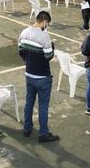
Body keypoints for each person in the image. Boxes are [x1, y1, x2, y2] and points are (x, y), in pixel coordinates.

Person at [18, 11, 59, 142]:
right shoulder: (44, 36)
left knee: (29, 102)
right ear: (45, 22)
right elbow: (48, 57)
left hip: (29, 74)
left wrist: (29, 62)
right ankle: (43, 133)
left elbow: (21, 52)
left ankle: (27, 127)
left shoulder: (23, 33)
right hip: (42, 77)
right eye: (48, 24)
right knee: (43, 106)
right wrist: (52, 48)